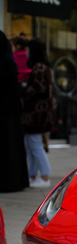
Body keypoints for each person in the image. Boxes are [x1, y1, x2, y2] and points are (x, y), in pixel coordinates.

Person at [20, 38, 55, 187]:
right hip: (38, 114)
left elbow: (36, 89)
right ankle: (33, 176)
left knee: (34, 145)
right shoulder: (44, 67)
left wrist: (20, 89)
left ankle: (45, 177)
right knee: (31, 144)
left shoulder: (39, 68)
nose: (26, 52)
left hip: (36, 114)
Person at [0, 30, 29, 192]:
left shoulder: (7, 64)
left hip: (7, 115)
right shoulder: (8, 63)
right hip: (9, 115)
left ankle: (9, 182)